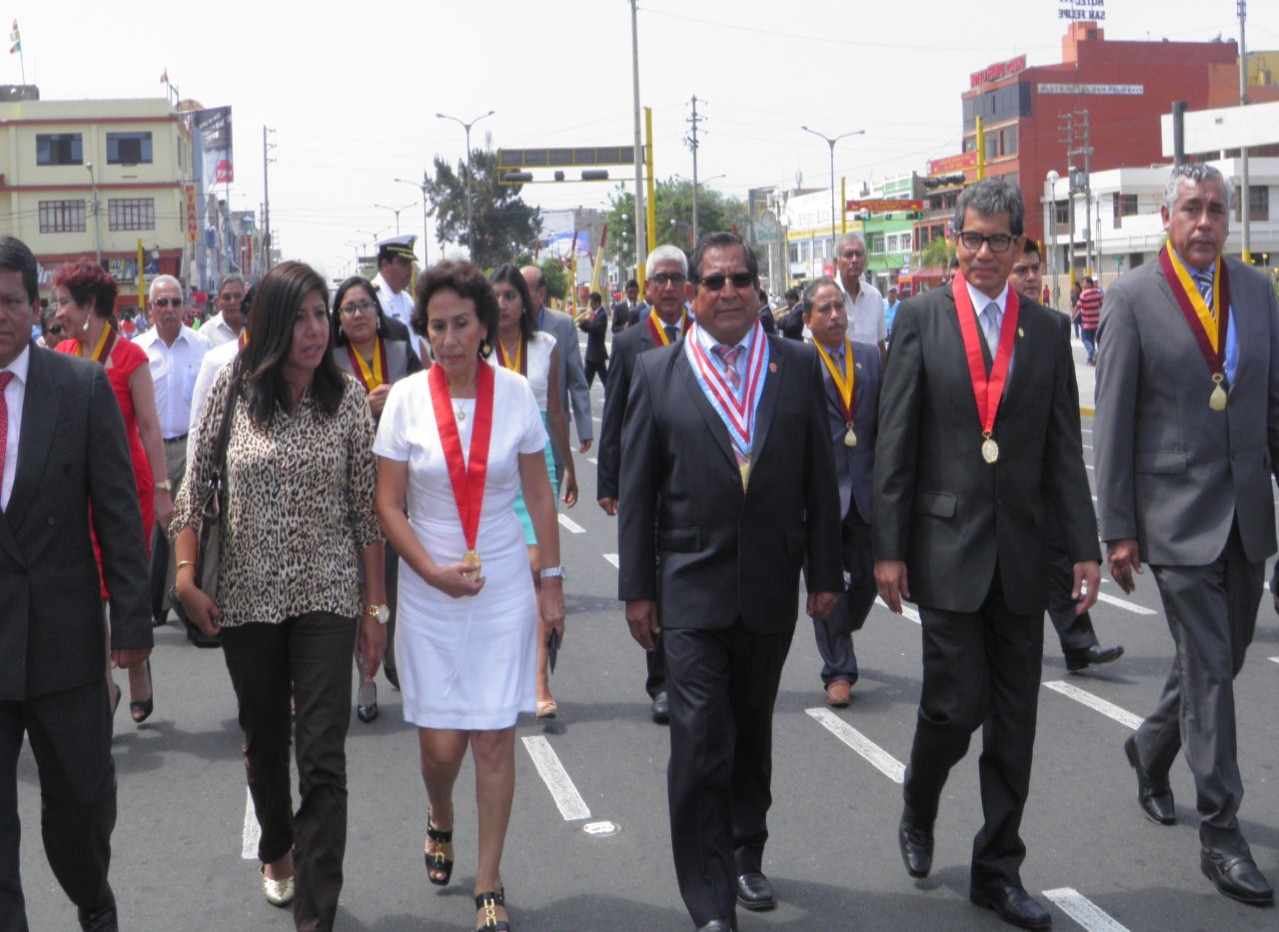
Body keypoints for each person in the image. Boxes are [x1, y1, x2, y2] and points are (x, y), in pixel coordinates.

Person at [874, 177, 1100, 931]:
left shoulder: (1047, 327)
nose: (979, 253)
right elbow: (894, 442)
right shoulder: (919, 319)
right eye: (968, 238)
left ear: (1018, 246)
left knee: (1014, 721)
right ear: (955, 241)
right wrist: (886, 551)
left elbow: (1064, 452)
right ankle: (919, 794)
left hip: (1023, 555)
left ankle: (996, 868)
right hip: (942, 548)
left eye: (996, 240)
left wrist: (1083, 550)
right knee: (952, 705)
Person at [618, 232, 843, 930]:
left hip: (769, 585)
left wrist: (825, 573)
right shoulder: (659, 371)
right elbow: (638, 487)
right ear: (691, 292)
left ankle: (747, 851)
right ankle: (709, 898)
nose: (725, 292)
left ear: (757, 288)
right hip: (687, 587)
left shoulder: (796, 366)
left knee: (749, 732)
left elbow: (818, 476)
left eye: (738, 279)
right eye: (710, 282)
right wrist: (637, 589)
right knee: (696, 738)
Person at [173, 261, 386, 929]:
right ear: (269, 324)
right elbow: (194, 485)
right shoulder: (232, 391)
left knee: (323, 757)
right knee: (265, 742)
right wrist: (183, 575)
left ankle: (315, 918)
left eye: (322, 314)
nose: (315, 330)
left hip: (327, 597)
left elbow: (365, 513)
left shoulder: (348, 397)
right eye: (299, 317)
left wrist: (375, 610)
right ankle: (275, 845)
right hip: (246, 600)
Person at [1094, 163, 1279, 907]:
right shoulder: (1132, 297)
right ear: (1165, 218)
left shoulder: (1259, 293)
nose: (1202, 222)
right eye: (1189, 209)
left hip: (1243, 515)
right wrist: (1115, 528)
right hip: (1169, 518)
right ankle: (1221, 833)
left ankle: (1149, 746)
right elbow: (1110, 422)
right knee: (1208, 667)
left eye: (1214, 210)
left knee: (1223, 660)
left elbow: (1269, 405)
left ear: (1228, 219)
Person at [374, 259, 565, 932]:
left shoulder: (513, 392)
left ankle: (488, 878)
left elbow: (538, 493)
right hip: (429, 592)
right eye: (436, 326)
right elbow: (388, 504)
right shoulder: (403, 399)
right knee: (442, 750)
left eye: (461, 324)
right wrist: (427, 572)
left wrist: (551, 584)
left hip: (501, 585)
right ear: (423, 330)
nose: (449, 338)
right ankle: (440, 813)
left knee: (493, 740)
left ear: (485, 324)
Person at [0, 235, 152, 932]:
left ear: (36, 308)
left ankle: (94, 899)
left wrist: (131, 626)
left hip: (64, 638)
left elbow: (118, 513)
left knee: (78, 807)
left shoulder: (80, 387)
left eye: (9, 300)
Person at [52, 261, 172, 725]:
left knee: (124, 580)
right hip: (75, 493)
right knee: (88, 591)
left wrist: (163, 492)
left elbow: (150, 428)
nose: (57, 312)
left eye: (64, 302)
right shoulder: (60, 353)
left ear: (90, 308)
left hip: (127, 490)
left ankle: (137, 661)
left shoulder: (128, 358)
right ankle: (104, 687)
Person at [1009, 240, 1123, 673]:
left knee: (1061, 553)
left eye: (1035, 269)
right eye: (1022, 270)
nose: (1032, 277)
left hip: (1044, 468)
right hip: (1002, 473)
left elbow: (1065, 409)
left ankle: (1079, 642)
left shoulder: (1055, 328)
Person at [597, 244, 693, 723]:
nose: (671, 287)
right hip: (646, 480)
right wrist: (609, 480)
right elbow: (613, 414)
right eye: (662, 279)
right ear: (648, 288)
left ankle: (689, 675)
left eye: (678, 278)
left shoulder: (703, 334)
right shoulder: (632, 341)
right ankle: (661, 682)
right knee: (652, 580)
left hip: (692, 479)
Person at [332, 275, 423, 723]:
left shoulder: (402, 351)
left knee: (391, 574)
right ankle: (366, 678)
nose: (359, 314)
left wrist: (398, 398)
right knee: (356, 583)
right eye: (349, 309)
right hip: (347, 482)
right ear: (339, 320)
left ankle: (390, 655)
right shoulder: (328, 359)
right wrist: (359, 408)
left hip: (397, 478)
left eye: (366, 304)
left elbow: (428, 398)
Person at [495, 265, 576, 719]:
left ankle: (539, 679)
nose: (505, 304)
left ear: (525, 302)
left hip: (538, 459)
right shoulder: (476, 348)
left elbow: (557, 411)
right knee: (505, 575)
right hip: (492, 466)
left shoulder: (546, 346)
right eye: (498, 296)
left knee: (539, 568)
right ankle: (508, 670)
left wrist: (568, 468)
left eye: (512, 296)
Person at [802, 277, 881, 707]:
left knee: (867, 578)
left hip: (866, 490)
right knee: (826, 580)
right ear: (807, 318)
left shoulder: (869, 357)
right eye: (825, 309)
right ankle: (838, 669)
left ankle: (839, 626)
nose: (835, 315)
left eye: (839, 307)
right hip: (821, 494)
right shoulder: (798, 363)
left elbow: (886, 423)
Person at [135, 276, 210, 642]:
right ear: (150, 308)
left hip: (190, 448)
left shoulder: (202, 347)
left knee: (184, 525)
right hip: (147, 451)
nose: (168, 309)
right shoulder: (136, 350)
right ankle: (149, 602)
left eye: (175, 302)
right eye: (161, 303)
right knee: (150, 527)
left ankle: (182, 597)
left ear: (185, 306)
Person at [521, 266, 593, 460]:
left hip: (553, 435)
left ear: (541, 294)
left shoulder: (563, 325)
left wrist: (584, 427)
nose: (517, 298)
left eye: (522, 291)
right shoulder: (507, 326)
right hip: (517, 435)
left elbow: (577, 380)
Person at [836, 233, 887, 365]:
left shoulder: (875, 296)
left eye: (859, 254)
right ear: (837, 262)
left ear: (864, 260)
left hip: (870, 377)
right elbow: (812, 344)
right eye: (848, 255)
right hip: (836, 377)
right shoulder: (824, 297)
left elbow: (880, 345)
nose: (854, 260)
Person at [373, 234, 426, 361]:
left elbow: (417, 342)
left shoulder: (407, 300)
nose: (410, 267)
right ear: (385, 265)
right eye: (404, 262)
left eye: (410, 262)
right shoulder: (372, 299)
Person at [201, 273, 248, 347]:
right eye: (226, 297)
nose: (233, 302)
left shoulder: (256, 328)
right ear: (218, 302)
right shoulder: (206, 333)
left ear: (245, 299)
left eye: (238, 296)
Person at [576, 291, 609, 387]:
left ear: (597, 303)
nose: (590, 306)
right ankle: (583, 400)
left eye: (591, 303)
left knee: (605, 381)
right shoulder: (594, 314)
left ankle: (612, 398)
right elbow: (588, 329)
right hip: (591, 355)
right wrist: (581, 324)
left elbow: (595, 328)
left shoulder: (602, 315)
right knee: (587, 383)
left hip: (597, 354)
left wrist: (585, 321)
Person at [1077, 275, 1103, 364]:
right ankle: (1090, 360)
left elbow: (1078, 306)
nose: (1082, 284)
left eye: (1084, 282)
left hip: (1086, 322)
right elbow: (1102, 304)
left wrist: (1072, 315)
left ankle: (1093, 352)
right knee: (1091, 340)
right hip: (1096, 322)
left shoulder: (1083, 294)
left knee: (1084, 339)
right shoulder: (1098, 293)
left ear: (1089, 284)